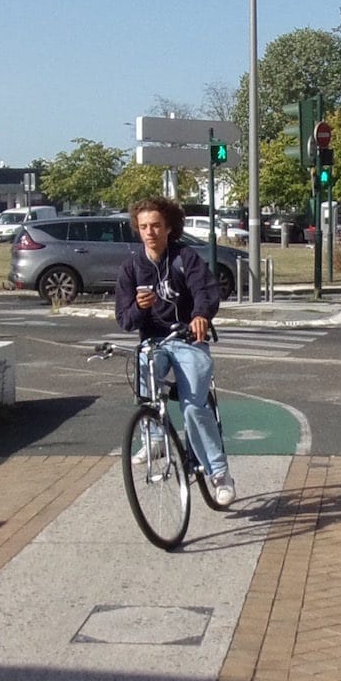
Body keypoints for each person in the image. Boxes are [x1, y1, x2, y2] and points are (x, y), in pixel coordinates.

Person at [115, 196, 234, 506]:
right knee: (145, 362)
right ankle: (153, 439)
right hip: (154, 340)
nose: (150, 232)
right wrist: (140, 310)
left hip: (187, 340)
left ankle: (219, 473)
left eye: (156, 225)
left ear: (168, 228)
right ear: (137, 230)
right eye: (143, 227)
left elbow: (205, 293)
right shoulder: (131, 268)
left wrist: (200, 316)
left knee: (194, 407)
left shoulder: (185, 258)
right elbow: (124, 320)